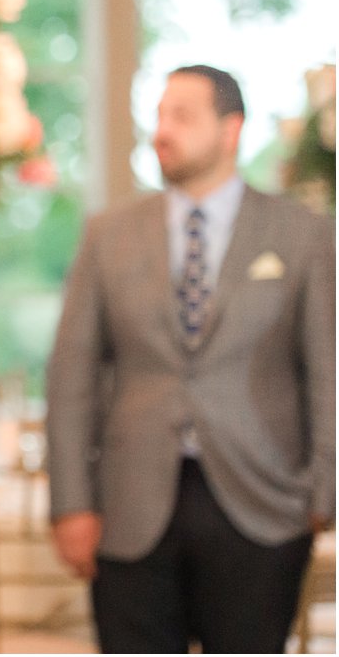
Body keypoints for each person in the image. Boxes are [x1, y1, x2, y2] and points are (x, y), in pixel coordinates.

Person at [47, 65, 335, 653]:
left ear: (232, 129)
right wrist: (71, 501)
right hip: (129, 507)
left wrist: (324, 492)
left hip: (263, 506)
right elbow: (71, 373)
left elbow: (327, 372)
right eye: (158, 115)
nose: (162, 131)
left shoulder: (303, 233)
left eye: (182, 115)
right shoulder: (109, 233)